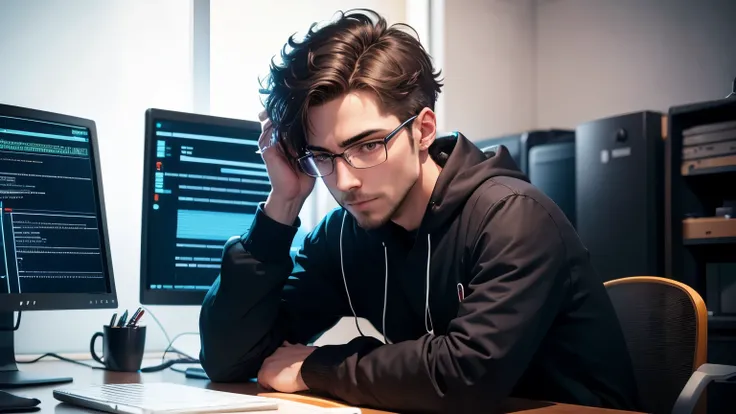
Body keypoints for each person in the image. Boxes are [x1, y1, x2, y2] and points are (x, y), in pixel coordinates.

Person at [198, 9, 641, 414]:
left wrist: (317, 365)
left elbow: (464, 376)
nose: (346, 181)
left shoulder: (513, 218)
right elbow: (230, 358)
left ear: (423, 130)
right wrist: (284, 202)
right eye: (324, 157)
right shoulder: (348, 234)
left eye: (368, 145)